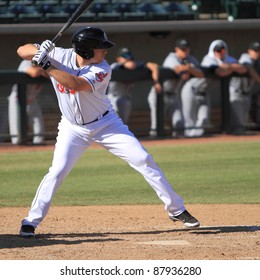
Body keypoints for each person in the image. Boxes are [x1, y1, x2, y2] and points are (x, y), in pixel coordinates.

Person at [17, 26, 200, 237]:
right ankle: (31, 220)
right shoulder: (59, 54)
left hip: (106, 125)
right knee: (57, 171)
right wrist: (39, 50)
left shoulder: (102, 68)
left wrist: (47, 64)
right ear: (86, 50)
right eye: (100, 47)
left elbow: (75, 84)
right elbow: (22, 50)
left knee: (143, 158)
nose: (105, 51)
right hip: (71, 128)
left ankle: (176, 209)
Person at [182, 39, 247, 137]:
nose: (220, 53)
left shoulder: (227, 59)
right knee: (189, 121)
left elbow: (243, 69)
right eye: (217, 50)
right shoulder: (209, 59)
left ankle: (195, 139)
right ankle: (187, 141)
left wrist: (228, 67)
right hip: (191, 90)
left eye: (222, 50)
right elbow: (220, 72)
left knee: (204, 119)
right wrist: (232, 68)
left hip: (204, 92)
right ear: (213, 51)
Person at [148, 38, 204, 137]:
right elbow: (183, 74)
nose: (185, 51)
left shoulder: (190, 59)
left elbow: (200, 74)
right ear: (176, 49)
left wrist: (189, 68)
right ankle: (154, 144)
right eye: (182, 49)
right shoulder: (171, 58)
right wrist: (189, 68)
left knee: (179, 124)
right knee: (156, 125)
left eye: (186, 49)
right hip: (159, 93)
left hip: (173, 94)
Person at [107, 47, 162, 124]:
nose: (127, 58)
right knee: (114, 122)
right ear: (118, 59)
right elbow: (127, 66)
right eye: (124, 56)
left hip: (125, 99)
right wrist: (132, 64)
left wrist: (156, 82)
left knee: (123, 124)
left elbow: (154, 66)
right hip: (112, 98)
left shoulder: (135, 66)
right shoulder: (114, 66)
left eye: (128, 56)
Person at [8, 59, 47, 145]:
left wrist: (44, 70)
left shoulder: (46, 63)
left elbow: (50, 75)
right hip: (17, 100)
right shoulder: (26, 62)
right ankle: (17, 150)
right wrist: (43, 70)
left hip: (32, 100)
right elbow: (33, 72)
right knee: (16, 132)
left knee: (39, 128)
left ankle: (38, 149)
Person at [229, 41, 260, 134]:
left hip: (247, 92)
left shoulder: (258, 62)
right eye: (255, 50)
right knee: (238, 122)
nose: (257, 53)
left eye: (258, 51)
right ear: (249, 51)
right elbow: (249, 69)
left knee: (243, 122)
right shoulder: (245, 57)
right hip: (236, 91)